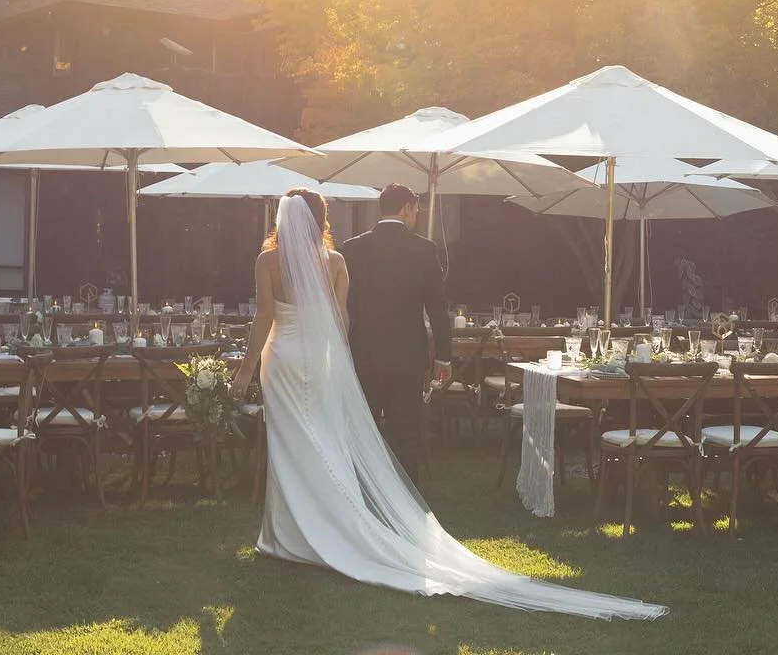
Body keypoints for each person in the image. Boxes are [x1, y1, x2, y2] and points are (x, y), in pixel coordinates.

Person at [230, 190, 665, 619]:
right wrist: (354, 363)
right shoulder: (342, 261)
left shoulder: (285, 259)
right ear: (319, 218)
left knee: (291, 444)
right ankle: (348, 521)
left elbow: (265, 319)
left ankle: (289, 534)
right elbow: (347, 320)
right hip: (333, 362)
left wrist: (244, 375)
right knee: (334, 441)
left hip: (285, 359)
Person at [338, 183, 451, 484]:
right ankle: (407, 494)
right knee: (407, 430)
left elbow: (343, 306)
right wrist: (444, 357)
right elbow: (438, 309)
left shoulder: (352, 248)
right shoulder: (425, 249)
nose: (417, 215)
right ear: (405, 209)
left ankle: (363, 490)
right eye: (416, 209)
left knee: (363, 427)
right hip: (408, 355)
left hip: (363, 352)